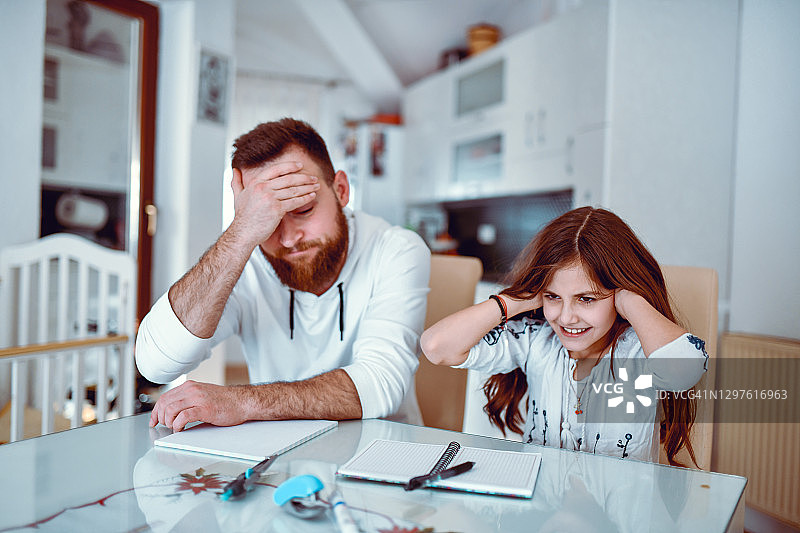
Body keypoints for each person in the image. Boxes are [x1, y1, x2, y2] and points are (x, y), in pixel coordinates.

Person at [136, 118, 430, 431]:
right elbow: (156, 365)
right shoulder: (246, 256)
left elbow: (381, 383)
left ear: (341, 190)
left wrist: (241, 402)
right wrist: (241, 232)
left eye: (303, 209)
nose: (289, 239)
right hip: (276, 451)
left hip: (379, 448)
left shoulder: (396, 249)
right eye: (268, 217)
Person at [421, 206, 708, 465]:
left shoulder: (638, 352)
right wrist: (514, 301)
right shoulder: (535, 339)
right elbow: (436, 346)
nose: (567, 317)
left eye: (587, 299)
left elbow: (683, 373)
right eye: (553, 296)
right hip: (541, 505)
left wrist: (631, 301)